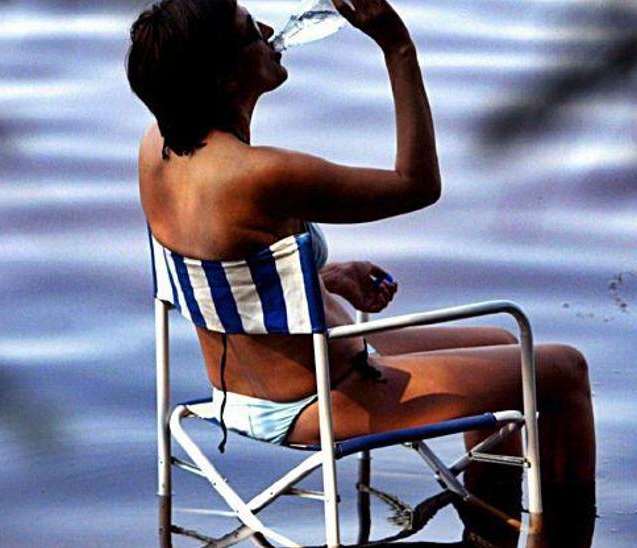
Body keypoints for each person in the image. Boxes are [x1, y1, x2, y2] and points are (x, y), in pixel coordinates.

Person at [126, 0, 595, 531]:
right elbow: (418, 185)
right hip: (322, 395)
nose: (267, 29)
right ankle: (564, 536)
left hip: (245, 385)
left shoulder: (156, 150)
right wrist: (398, 47)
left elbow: (224, 269)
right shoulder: (261, 175)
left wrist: (323, 279)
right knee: (562, 371)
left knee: (506, 347)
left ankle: (491, 530)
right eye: (248, 31)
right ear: (225, 77)